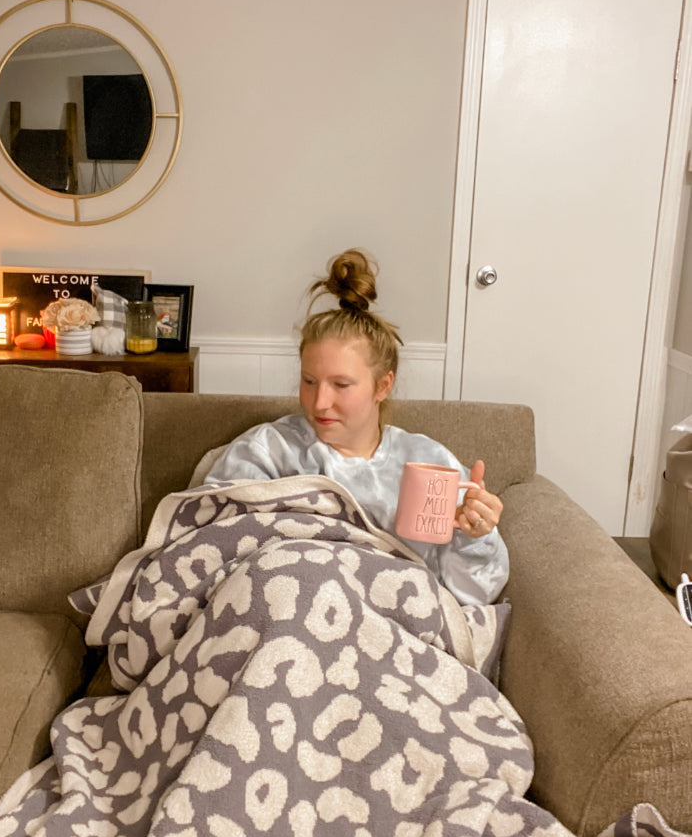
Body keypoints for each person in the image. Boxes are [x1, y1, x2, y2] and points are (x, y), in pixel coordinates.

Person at [205, 249, 508, 606]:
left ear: (383, 385)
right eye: (309, 381)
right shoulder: (267, 452)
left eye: (341, 385)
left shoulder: (431, 463)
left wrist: (475, 535)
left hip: (394, 627)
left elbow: (471, 595)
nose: (319, 402)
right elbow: (210, 546)